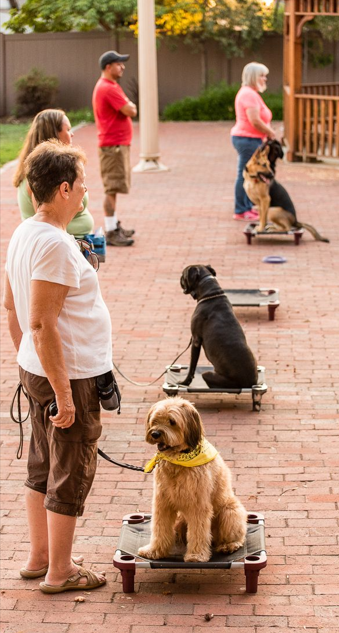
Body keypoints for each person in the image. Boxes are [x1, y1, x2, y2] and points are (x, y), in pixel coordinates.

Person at [4, 140, 111, 593]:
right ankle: (60, 571)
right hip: (69, 375)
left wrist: (25, 357)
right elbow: (42, 323)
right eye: (83, 184)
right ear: (63, 189)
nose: (87, 191)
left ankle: (40, 556)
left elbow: (12, 309)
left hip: (40, 368)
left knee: (42, 465)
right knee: (69, 468)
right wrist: (64, 394)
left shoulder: (26, 231)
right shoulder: (54, 246)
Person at [13, 109, 94, 237]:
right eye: (67, 130)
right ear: (54, 134)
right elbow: (44, 223)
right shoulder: (42, 176)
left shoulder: (50, 170)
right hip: (64, 246)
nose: (72, 134)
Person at [92, 50, 137, 246]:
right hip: (113, 147)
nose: (123, 67)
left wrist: (129, 105)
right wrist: (130, 105)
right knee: (111, 188)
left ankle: (114, 225)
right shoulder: (108, 88)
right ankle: (110, 231)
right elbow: (131, 110)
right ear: (108, 67)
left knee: (115, 188)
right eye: (119, 64)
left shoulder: (111, 86)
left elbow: (130, 109)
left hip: (116, 145)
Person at [230, 62, 276, 221]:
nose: (265, 79)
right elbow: (254, 120)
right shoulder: (248, 94)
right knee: (245, 174)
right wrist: (270, 132)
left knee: (248, 174)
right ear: (253, 77)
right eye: (262, 76)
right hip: (247, 139)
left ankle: (247, 207)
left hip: (251, 138)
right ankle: (241, 210)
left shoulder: (251, 93)